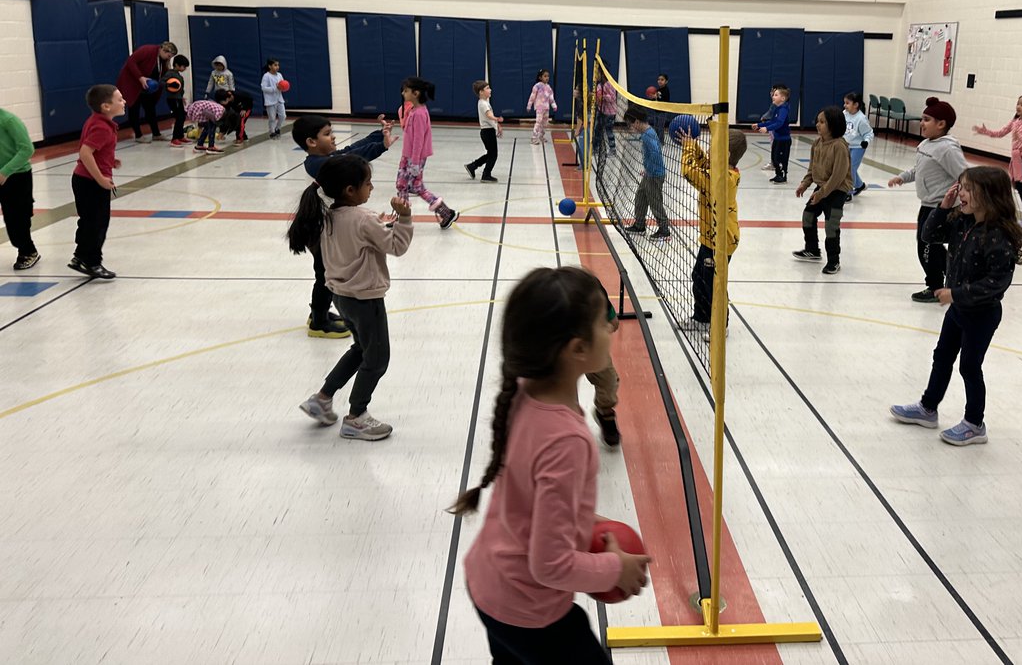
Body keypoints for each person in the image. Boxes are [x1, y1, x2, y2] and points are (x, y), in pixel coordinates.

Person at [452, 266, 651, 661]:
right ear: (577, 349)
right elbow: (550, 564)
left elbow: (533, 495)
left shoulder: (524, 391)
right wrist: (615, 569)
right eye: (603, 320)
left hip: (489, 581)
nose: (612, 327)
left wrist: (581, 519)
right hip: (529, 610)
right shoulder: (567, 441)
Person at [889, 166, 1022, 446]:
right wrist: (943, 207)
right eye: (960, 187)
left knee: (969, 367)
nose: (961, 193)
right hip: (958, 309)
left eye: (968, 189)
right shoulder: (962, 221)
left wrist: (956, 293)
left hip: (982, 314)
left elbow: (996, 283)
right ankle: (928, 408)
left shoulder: (998, 236)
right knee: (942, 357)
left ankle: (975, 423)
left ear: (989, 196)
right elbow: (929, 235)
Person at [289, 155, 414, 441]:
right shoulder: (363, 219)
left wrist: (378, 224)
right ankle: (357, 416)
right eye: (367, 183)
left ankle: (322, 398)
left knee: (360, 349)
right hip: (366, 299)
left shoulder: (327, 217)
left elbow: (357, 236)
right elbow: (397, 246)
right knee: (377, 359)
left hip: (341, 297)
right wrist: (404, 219)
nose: (371, 187)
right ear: (349, 189)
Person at [292, 113, 396, 340]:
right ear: (311, 142)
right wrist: (381, 146)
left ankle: (318, 313)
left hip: (322, 227)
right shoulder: (317, 164)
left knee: (324, 273)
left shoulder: (325, 159)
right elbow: (351, 159)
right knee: (325, 275)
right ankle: (318, 323)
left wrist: (379, 135)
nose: (333, 137)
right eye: (327, 134)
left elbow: (350, 150)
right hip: (318, 229)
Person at [887, 97, 969, 303]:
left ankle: (935, 287)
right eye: (922, 119)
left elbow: (965, 175)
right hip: (927, 205)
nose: (921, 123)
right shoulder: (926, 144)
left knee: (927, 248)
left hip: (943, 208)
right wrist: (902, 177)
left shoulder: (947, 149)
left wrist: (965, 200)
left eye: (926, 119)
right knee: (930, 246)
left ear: (941, 124)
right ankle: (951, 277)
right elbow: (919, 169)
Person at [681, 125, 748, 341]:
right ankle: (701, 318)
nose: (709, 150)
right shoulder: (719, 170)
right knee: (699, 277)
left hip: (721, 241)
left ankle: (720, 325)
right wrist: (695, 146)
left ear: (725, 154)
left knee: (714, 285)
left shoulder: (723, 179)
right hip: (709, 238)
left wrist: (688, 148)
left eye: (713, 147)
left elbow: (690, 172)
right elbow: (705, 164)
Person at [68, 85, 125, 280]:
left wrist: (110, 160)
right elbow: (85, 153)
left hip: (84, 180)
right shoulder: (102, 127)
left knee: (89, 221)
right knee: (97, 223)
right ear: (106, 106)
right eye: (119, 99)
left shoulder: (98, 121)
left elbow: (96, 151)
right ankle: (92, 261)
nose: (124, 102)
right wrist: (101, 179)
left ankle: (80, 256)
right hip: (90, 182)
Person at [792, 106, 852, 275]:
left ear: (833, 124)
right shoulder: (817, 143)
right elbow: (813, 168)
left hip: (837, 190)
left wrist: (821, 193)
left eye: (822, 122)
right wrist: (805, 183)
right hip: (822, 188)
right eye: (817, 121)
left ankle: (834, 261)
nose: (818, 124)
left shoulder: (839, 146)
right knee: (808, 216)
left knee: (831, 225)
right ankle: (812, 250)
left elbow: (838, 176)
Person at [974, 92, 1022, 228]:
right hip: (1017, 159)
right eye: (1018, 104)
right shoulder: (1015, 121)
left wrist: (1021, 136)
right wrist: (986, 131)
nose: (1018, 107)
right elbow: (1001, 132)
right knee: (1018, 186)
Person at [395, 77, 458, 229]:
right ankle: (402, 217)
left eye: (406, 91)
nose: (403, 93)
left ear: (415, 93)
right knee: (403, 185)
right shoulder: (414, 110)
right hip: (408, 155)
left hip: (414, 157)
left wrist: (415, 162)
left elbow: (418, 140)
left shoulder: (419, 113)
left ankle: (445, 212)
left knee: (413, 187)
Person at [623, 106, 670, 242]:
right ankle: (639, 225)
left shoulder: (648, 135)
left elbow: (655, 152)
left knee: (655, 202)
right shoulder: (647, 133)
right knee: (640, 197)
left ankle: (664, 230)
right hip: (650, 173)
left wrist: (651, 169)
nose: (631, 127)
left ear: (637, 122)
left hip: (654, 175)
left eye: (631, 124)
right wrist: (647, 169)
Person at [0, 108, 39, 270]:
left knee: (17, 218)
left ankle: (28, 251)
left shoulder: (9, 121)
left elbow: (27, 149)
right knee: (11, 219)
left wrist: (5, 171)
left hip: (17, 176)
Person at [116, 40, 175, 143]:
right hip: (133, 83)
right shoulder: (147, 50)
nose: (168, 58)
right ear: (163, 50)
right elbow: (131, 61)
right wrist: (140, 77)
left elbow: (163, 75)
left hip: (146, 87)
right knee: (134, 109)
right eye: (168, 56)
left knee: (150, 109)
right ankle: (138, 135)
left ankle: (156, 134)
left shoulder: (162, 61)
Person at [465, 80, 503, 183]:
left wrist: (497, 125)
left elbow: (489, 119)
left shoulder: (484, 102)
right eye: (487, 88)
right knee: (493, 155)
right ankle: (486, 175)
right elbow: (489, 115)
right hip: (487, 132)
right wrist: (497, 119)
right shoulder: (483, 104)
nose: (490, 90)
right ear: (481, 92)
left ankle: (472, 166)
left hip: (487, 131)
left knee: (490, 154)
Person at [755, 86, 792, 184]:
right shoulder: (777, 109)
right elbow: (772, 121)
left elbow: (779, 123)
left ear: (782, 98)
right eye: (773, 95)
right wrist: (759, 125)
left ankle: (783, 176)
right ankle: (778, 175)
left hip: (784, 140)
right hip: (777, 139)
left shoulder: (783, 109)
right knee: (775, 158)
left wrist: (767, 129)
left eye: (776, 95)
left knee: (781, 159)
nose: (773, 96)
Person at [843, 91, 875, 197]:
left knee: (850, 168)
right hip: (847, 145)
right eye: (844, 103)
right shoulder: (844, 114)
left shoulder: (861, 119)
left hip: (858, 147)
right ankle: (860, 185)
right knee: (848, 167)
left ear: (856, 105)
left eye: (847, 103)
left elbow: (869, 133)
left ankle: (848, 192)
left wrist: (866, 141)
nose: (844, 105)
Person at [186, 90, 231, 154]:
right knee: (212, 127)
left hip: (196, 107)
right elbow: (206, 112)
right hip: (197, 109)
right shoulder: (220, 111)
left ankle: (199, 145)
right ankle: (211, 147)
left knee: (208, 126)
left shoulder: (218, 107)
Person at [162, 55, 191, 148]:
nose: (184, 68)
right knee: (179, 117)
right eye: (183, 66)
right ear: (177, 65)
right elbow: (162, 82)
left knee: (182, 117)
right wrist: (169, 84)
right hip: (172, 99)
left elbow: (179, 89)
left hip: (178, 99)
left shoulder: (179, 75)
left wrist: (181, 97)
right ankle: (174, 139)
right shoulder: (170, 73)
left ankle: (180, 136)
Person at [759, 84, 786, 171]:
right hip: (773, 128)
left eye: (774, 92)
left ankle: (775, 163)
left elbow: (771, 115)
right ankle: (776, 162)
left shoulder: (778, 105)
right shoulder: (777, 104)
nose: (772, 93)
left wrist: (764, 118)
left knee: (775, 146)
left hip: (776, 129)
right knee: (774, 146)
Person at [526, 69, 557, 145]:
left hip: (546, 108)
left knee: (545, 123)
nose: (547, 78)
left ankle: (541, 136)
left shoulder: (549, 87)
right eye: (545, 76)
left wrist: (554, 105)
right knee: (538, 122)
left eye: (548, 76)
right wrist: (529, 105)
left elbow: (551, 97)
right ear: (540, 77)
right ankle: (534, 138)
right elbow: (532, 96)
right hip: (539, 107)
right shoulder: (537, 86)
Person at [261, 58, 287, 139]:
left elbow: (283, 85)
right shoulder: (266, 76)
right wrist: (275, 88)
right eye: (275, 65)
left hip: (279, 99)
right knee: (272, 118)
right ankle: (272, 131)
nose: (277, 67)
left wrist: (283, 87)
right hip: (270, 101)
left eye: (278, 65)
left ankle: (277, 128)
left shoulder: (279, 75)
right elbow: (263, 88)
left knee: (283, 116)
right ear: (270, 66)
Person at [593, 72, 617, 157]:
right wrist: (597, 98)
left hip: (610, 113)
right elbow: (597, 98)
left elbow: (613, 98)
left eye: (597, 74)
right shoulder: (599, 86)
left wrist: (604, 96)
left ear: (603, 75)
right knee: (597, 130)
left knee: (609, 131)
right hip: (601, 111)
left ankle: (613, 150)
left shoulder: (609, 84)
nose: (596, 76)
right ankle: (595, 148)